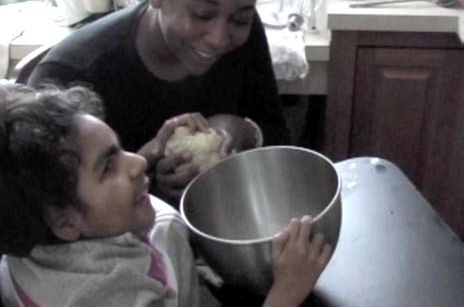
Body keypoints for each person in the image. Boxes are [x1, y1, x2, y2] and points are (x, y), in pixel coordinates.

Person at [0, 85, 331, 307]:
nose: (138, 162)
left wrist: (157, 149)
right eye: (107, 167)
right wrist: (287, 292)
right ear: (63, 220)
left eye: (121, 150)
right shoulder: (111, 297)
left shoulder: (45, 234)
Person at [28, 0, 291, 204]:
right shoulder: (73, 74)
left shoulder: (241, 36)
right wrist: (149, 182)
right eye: (202, 14)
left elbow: (281, 141)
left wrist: (243, 130)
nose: (220, 38)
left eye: (241, 19)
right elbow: (54, 210)